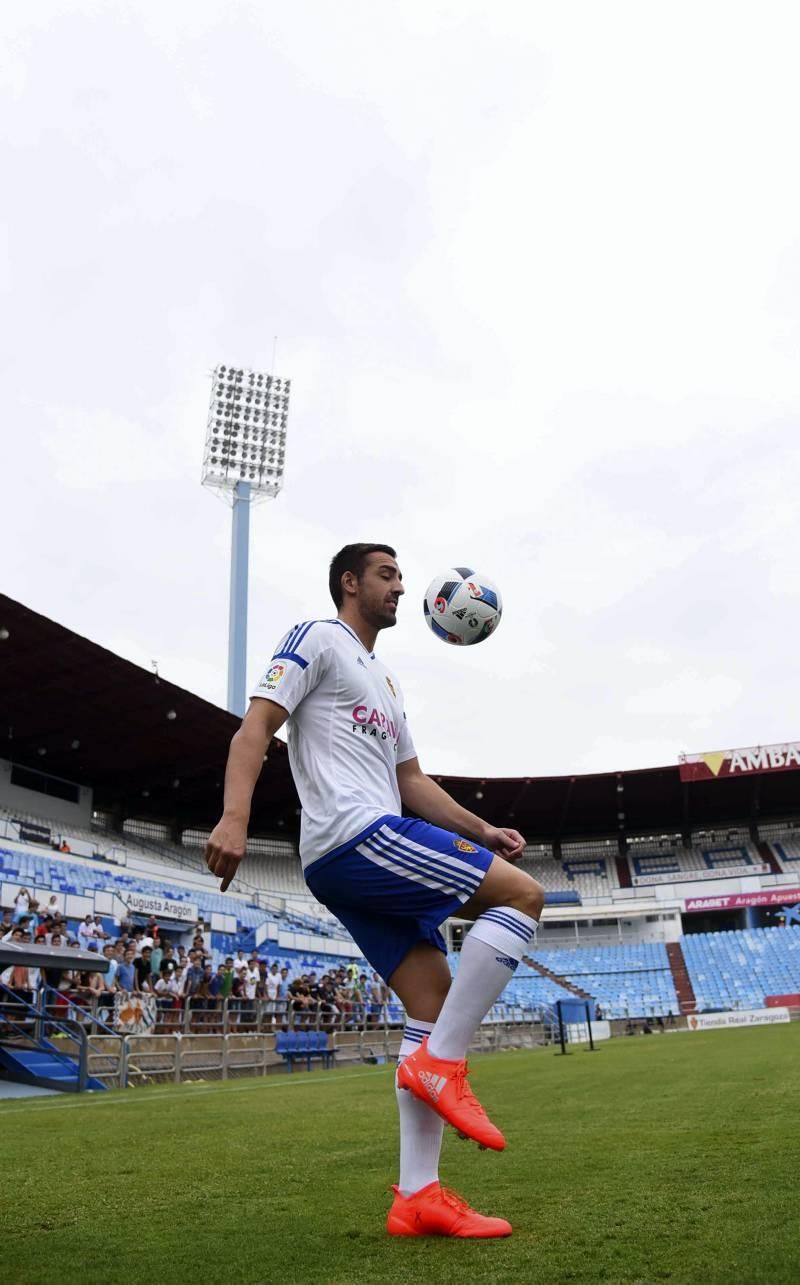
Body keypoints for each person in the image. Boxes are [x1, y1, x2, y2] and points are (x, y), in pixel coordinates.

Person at [205, 543, 544, 1238]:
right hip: (355, 835)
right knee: (523, 897)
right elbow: (257, 726)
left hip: (363, 843)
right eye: (387, 574)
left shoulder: (385, 683)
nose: (399, 587)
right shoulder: (317, 638)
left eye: (400, 576)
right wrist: (234, 817)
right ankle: (443, 1064)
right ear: (349, 581)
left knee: (432, 998)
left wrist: (483, 829)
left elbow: (412, 782)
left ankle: (417, 1195)